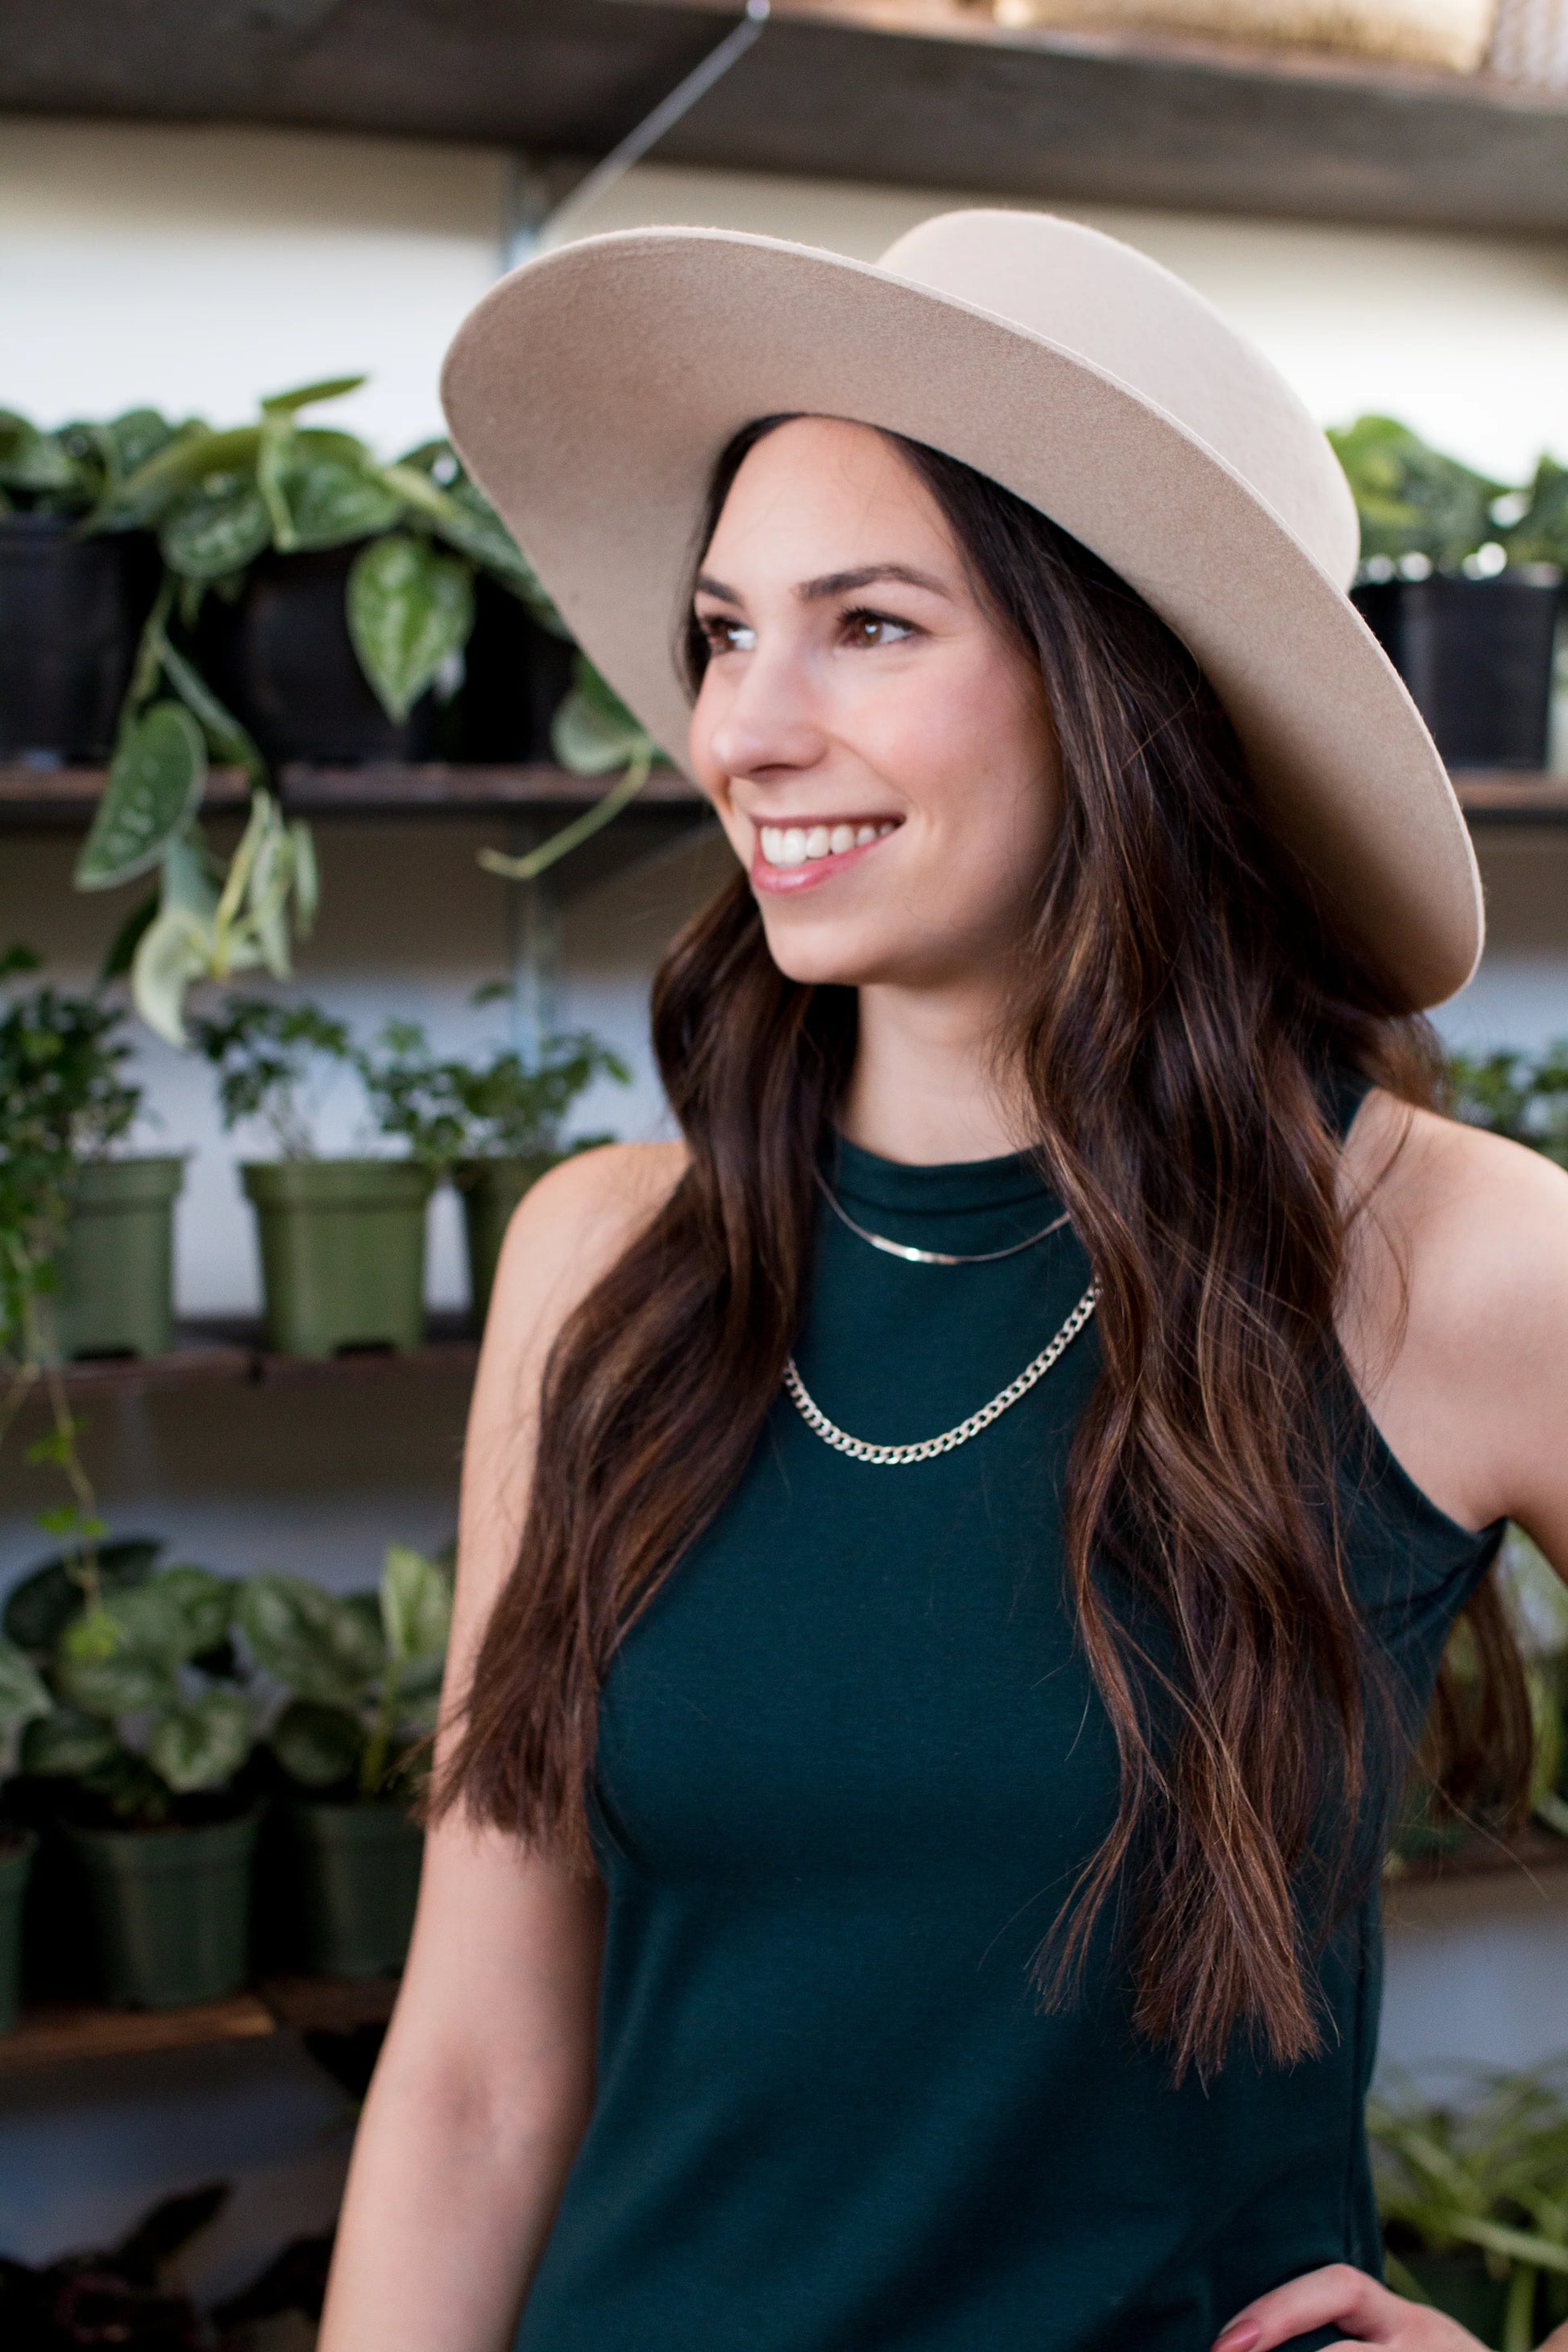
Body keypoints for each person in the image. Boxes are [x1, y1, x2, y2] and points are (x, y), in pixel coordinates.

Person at [316, 212, 1568, 2352]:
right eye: (723, 633)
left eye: (868, 627)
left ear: (1124, 684)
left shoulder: (1443, 1257)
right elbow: (471, 2076)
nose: (741, 730)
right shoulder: (604, 1265)